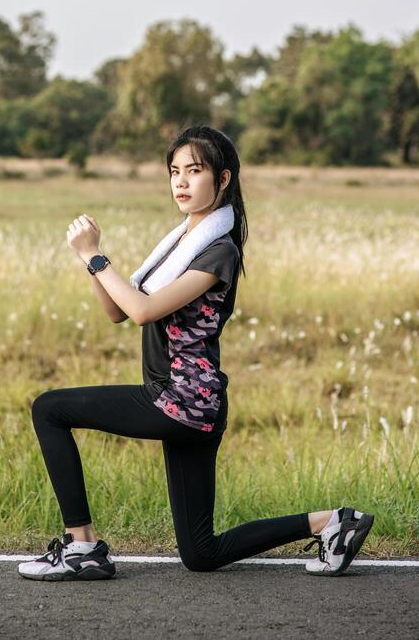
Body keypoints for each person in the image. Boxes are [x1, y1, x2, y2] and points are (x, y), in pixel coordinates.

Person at [18, 124, 374, 581]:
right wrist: (91, 257)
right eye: (174, 171)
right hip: (192, 406)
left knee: (49, 409)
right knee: (201, 553)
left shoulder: (217, 252)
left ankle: (81, 546)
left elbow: (143, 310)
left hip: (182, 400)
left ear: (223, 179)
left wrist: (96, 258)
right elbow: (116, 311)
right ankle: (332, 522)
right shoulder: (179, 245)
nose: (181, 182)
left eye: (195, 170)